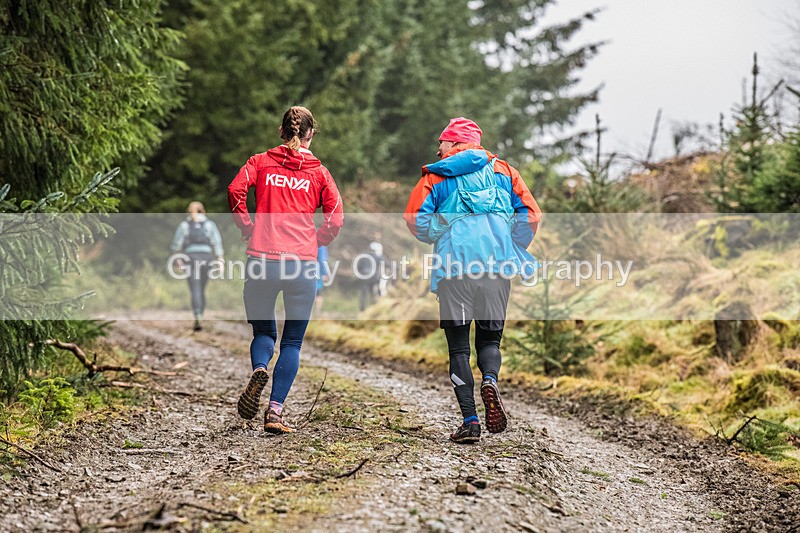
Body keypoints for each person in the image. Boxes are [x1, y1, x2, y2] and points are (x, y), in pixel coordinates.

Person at [404, 117, 541, 443]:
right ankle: (490, 380)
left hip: (454, 271)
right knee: (490, 341)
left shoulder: (436, 175)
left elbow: (415, 220)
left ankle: (470, 421)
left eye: (442, 142)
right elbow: (531, 215)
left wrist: (438, 230)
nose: (438, 148)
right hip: (496, 268)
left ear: (455, 143)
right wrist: (510, 242)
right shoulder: (505, 172)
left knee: (458, 348)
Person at [228, 106, 343, 434]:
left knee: (263, 333)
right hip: (302, 265)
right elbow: (336, 216)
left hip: (262, 259)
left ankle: (260, 367)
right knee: (292, 343)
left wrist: (247, 225)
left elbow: (235, 190)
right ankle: (275, 412)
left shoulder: (260, 162)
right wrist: (316, 240)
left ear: (281, 132)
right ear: (311, 134)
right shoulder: (319, 173)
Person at [170, 201, 224, 331]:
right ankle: (201, 314)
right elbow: (217, 243)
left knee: (195, 288)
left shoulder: (184, 226)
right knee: (202, 288)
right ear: (203, 211)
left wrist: (178, 261)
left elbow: (176, 246)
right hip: (207, 259)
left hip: (190, 258)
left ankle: (198, 315)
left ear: (189, 211)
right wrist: (220, 260)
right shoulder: (210, 225)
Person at [356, 241, 386, 311]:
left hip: (364, 276)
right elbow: (383, 267)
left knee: (363, 294)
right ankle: (375, 307)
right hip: (374, 277)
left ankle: (362, 309)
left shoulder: (363, 256)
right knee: (374, 293)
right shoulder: (379, 256)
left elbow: (358, 267)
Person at [314, 245, 331, 315]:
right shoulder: (321, 244)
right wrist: (324, 273)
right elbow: (322, 259)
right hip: (316, 270)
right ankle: (316, 313)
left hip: (303, 269)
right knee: (319, 293)